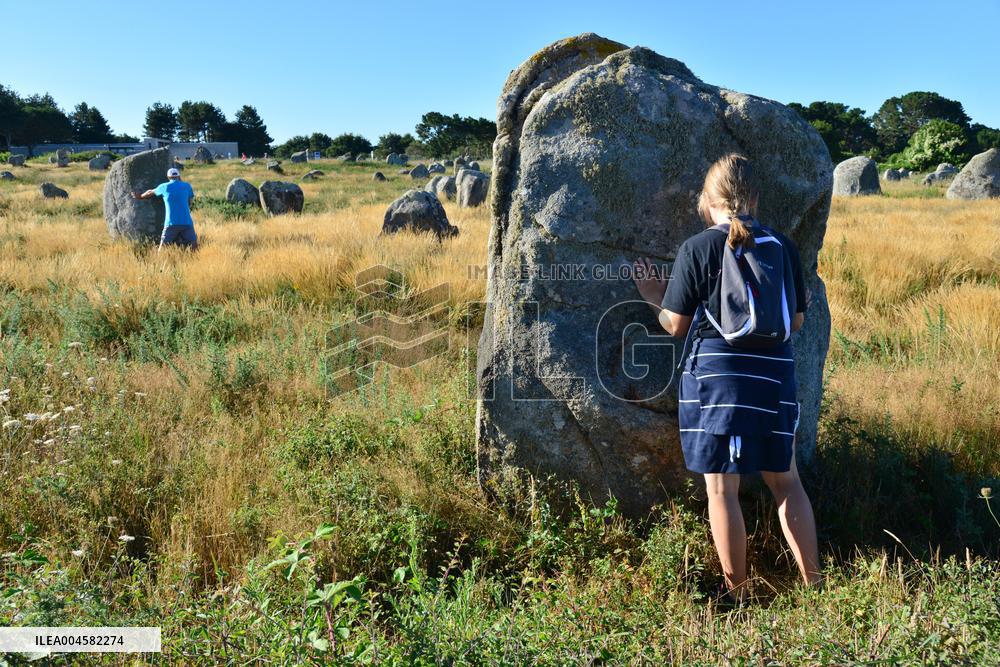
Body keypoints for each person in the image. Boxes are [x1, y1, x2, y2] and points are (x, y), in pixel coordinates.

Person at [632, 154, 820, 603]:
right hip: (776, 378)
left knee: (721, 488)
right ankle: (817, 589)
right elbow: (793, 323)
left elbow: (676, 326)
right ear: (753, 197)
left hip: (719, 382)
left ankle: (736, 594)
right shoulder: (783, 246)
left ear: (707, 199)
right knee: (786, 481)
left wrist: (656, 297)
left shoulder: (698, 247)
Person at [133, 167, 198, 251]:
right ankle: (194, 260)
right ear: (179, 176)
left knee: (163, 246)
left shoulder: (164, 187)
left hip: (171, 222)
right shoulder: (187, 186)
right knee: (193, 244)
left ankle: (159, 260)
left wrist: (140, 196)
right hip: (186, 221)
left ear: (168, 177)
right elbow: (190, 202)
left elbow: (150, 192)